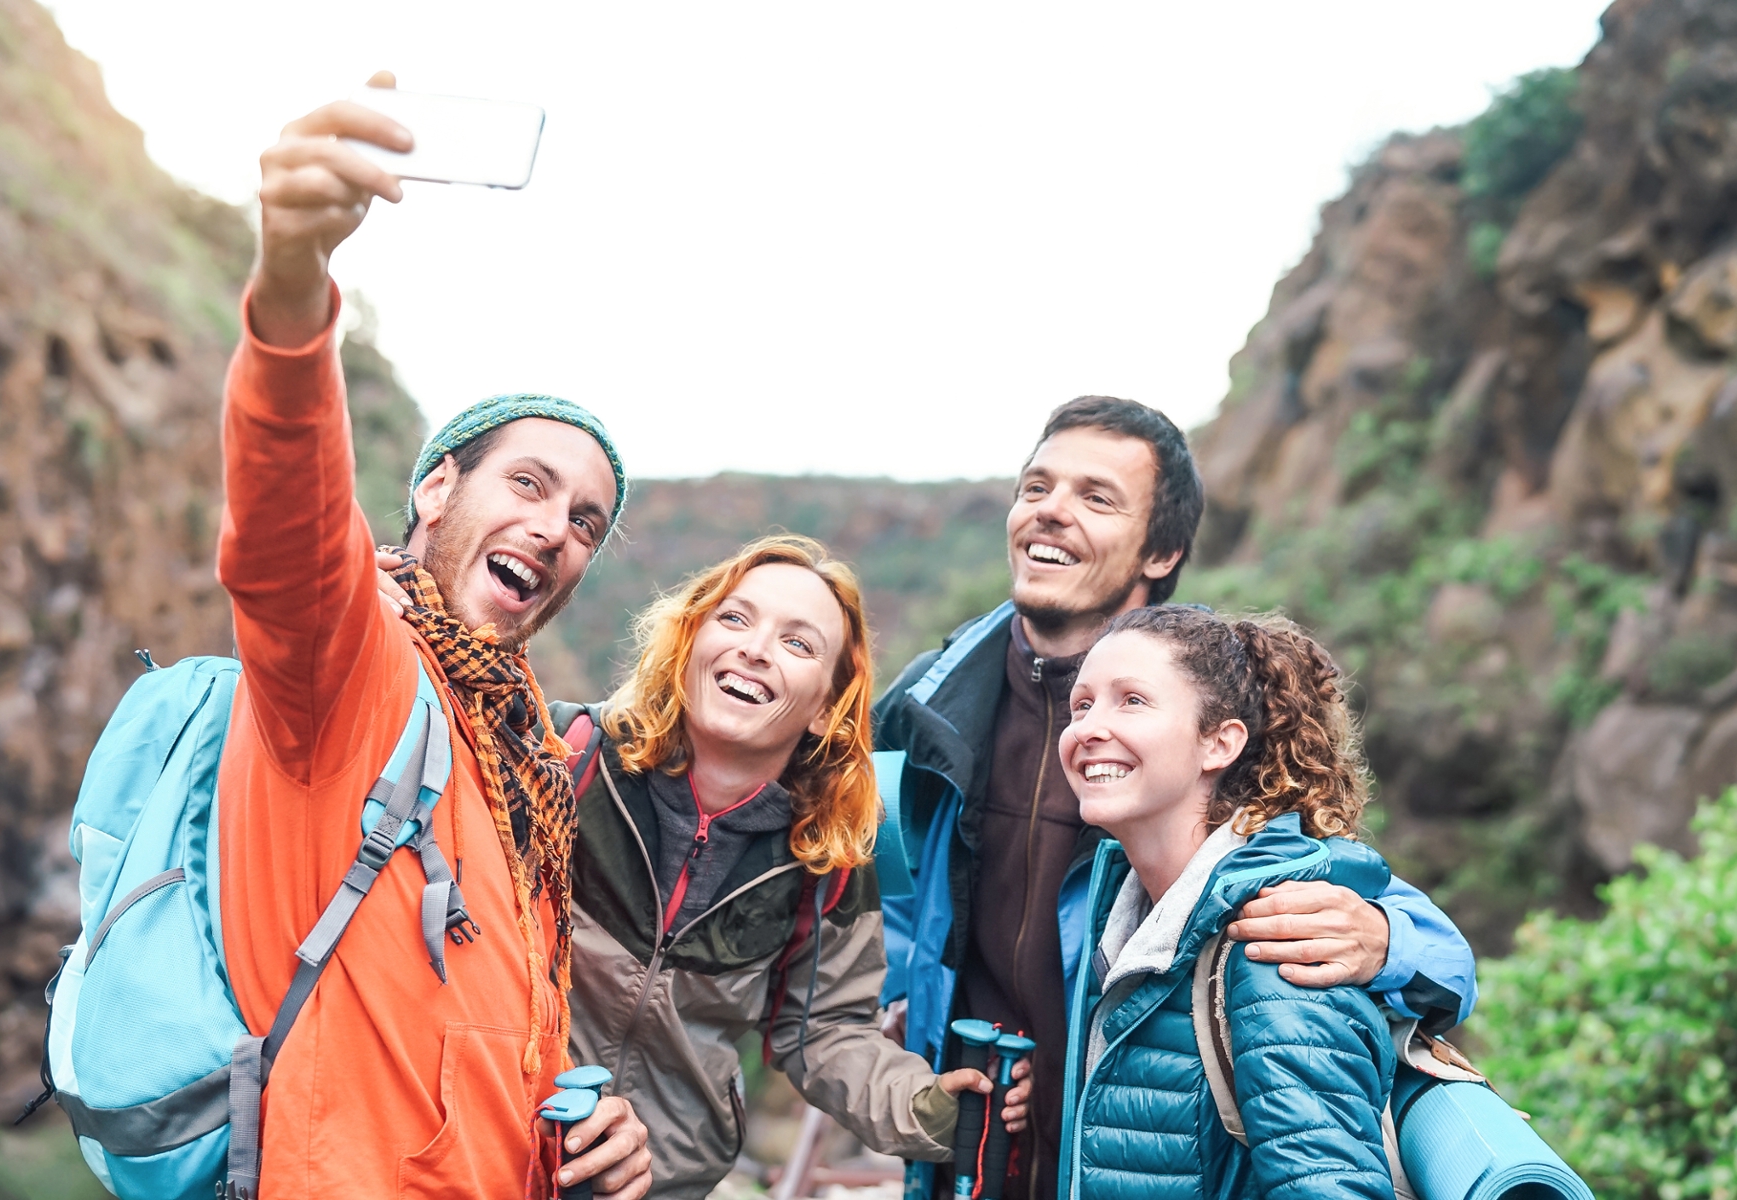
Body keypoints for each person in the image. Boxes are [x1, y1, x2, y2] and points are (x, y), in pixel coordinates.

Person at [216, 76, 651, 1197]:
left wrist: (591, 1132)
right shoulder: (352, 664)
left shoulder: (520, 755)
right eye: (529, 483)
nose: (556, 529)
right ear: (436, 487)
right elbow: (285, 522)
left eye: (585, 521)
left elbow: (482, 1021)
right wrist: (297, 288)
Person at [872, 396, 1478, 1200]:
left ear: (1160, 550)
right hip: (984, 1152)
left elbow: (1348, 890)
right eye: (1035, 487)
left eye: (1095, 497)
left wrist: (1384, 939)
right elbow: (892, 889)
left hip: (1138, 1151)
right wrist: (905, 1005)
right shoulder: (927, 704)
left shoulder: (1196, 709)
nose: (1050, 512)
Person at [403, 535, 1036, 1199]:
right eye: (734, 619)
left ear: (825, 707)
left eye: (798, 644)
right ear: (688, 643)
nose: (755, 648)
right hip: (485, 1146)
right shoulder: (565, 756)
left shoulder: (828, 855)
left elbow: (822, 1033)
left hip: (664, 1180)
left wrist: (932, 1110)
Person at [1056, 605, 1401, 1200]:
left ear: (1219, 743)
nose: (1089, 727)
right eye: (1082, 705)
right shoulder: (1123, 909)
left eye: (1131, 700)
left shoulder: (1273, 943)